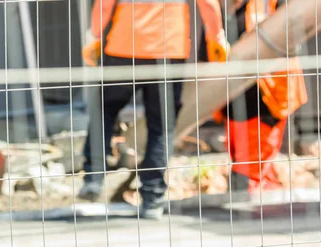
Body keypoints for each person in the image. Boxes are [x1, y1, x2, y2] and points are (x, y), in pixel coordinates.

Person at [80, 0, 229, 220]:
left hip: (124, 45)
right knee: (162, 125)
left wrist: (94, 35)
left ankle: (93, 177)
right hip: (169, 49)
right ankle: (153, 199)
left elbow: (104, 4)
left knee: (105, 108)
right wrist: (216, 36)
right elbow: (207, 3)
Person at [204, 0, 308, 193]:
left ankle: (250, 210)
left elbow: (293, 35)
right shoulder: (226, 9)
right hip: (236, 101)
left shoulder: (267, 6)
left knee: (250, 172)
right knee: (249, 170)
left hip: (266, 99)